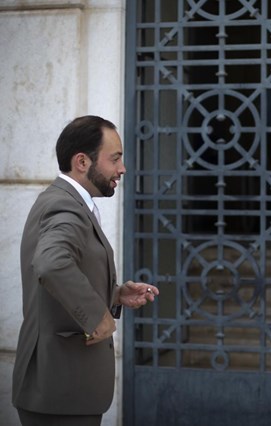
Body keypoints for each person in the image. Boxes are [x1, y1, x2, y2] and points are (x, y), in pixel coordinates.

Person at [12, 115, 160, 425]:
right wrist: (97, 317)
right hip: (60, 391)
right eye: (115, 159)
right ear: (82, 161)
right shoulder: (63, 206)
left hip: (66, 389)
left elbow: (64, 269)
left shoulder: (71, 204)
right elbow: (52, 263)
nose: (122, 168)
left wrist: (115, 295)